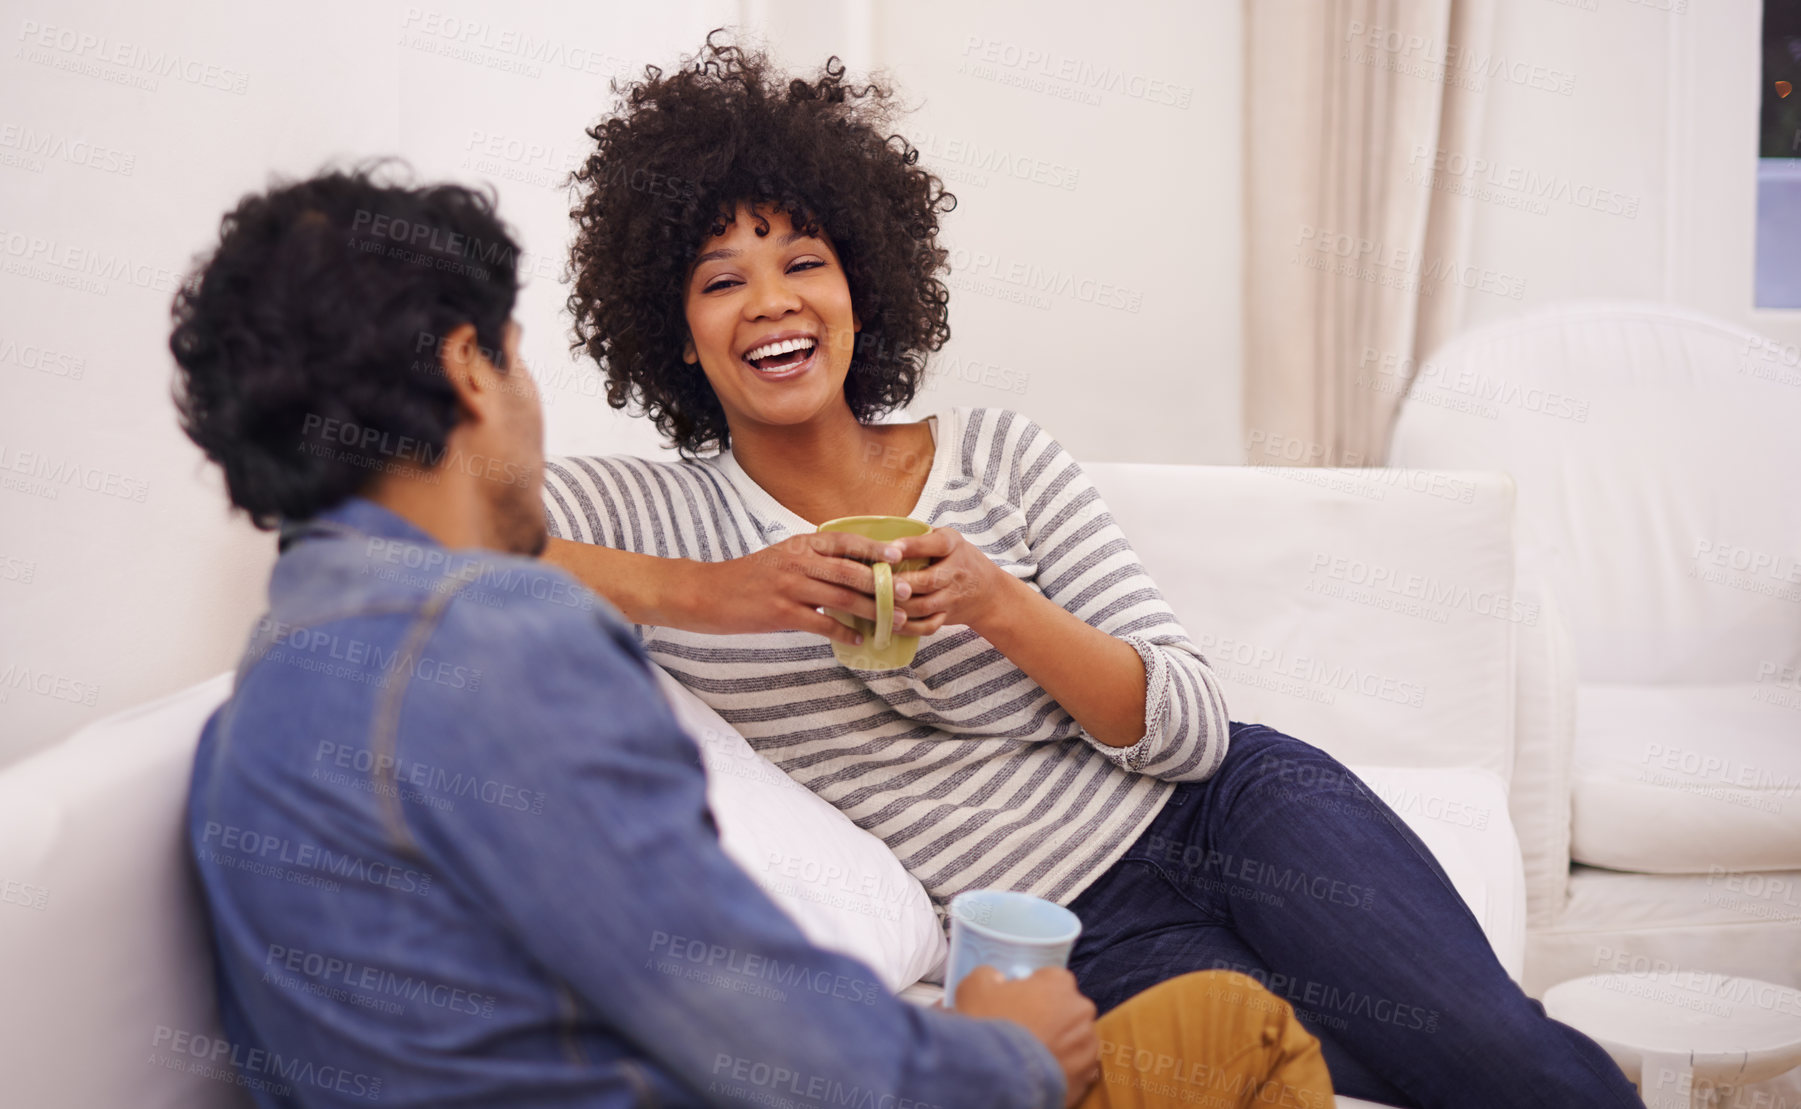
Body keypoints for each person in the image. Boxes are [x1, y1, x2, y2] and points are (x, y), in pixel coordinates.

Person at [540, 35, 1644, 1108]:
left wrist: (998, 603)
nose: (772, 299)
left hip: (1234, 813)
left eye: (805, 262)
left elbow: (1193, 726)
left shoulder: (998, 456)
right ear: (678, 334)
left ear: (860, 288)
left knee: (1501, 1056)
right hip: (1075, 932)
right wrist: (713, 593)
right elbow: (401, 529)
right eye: (720, 280)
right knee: (1348, 1072)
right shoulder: (656, 512)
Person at [172, 165, 1332, 1108]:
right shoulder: (506, 647)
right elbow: (782, 1046)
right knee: (1238, 1031)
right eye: (518, 357)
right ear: (470, 365)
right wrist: (1006, 1051)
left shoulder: (260, 702)